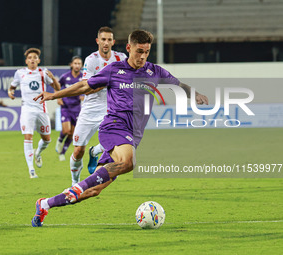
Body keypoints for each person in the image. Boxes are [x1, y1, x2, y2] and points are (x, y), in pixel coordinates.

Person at [31, 30, 208, 227]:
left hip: (132, 136)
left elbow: (178, 85)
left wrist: (196, 94)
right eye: (139, 51)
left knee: (94, 190)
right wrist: (54, 95)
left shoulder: (154, 72)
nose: (142, 56)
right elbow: (84, 86)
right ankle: (76, 187)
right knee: (129, 161)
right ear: (129, 48)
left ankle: (45, 204)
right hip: (114, 126)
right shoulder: (114, 70)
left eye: (146, 52)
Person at [67, 26, 127, 186]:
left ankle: (96, 152)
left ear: (113, 42)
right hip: (90, 108)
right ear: (97, 41)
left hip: (111, 108)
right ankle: (74, 182)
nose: (106, 43)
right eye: (103, 39)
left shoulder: (121, 58)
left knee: (116, 141)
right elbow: (87, 87)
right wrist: (109, 81)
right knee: (78, 150)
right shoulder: (91, 60)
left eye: (109, 40)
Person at [8, 48, 60, 178]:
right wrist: (10, 92)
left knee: (47, 140)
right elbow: (12, 86)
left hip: (41, 109)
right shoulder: (20, 73)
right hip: (27, 109)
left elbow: (58, 89)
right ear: (26, 61)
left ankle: (37, 153)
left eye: (35, 57)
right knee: (28, 137)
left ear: (39, 60)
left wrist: (53, 78)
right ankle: (31, 169)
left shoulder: (43, 73)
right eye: (30, 57)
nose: (32, 59)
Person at [55, 56, 84, 162]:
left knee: (72, 134)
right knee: (66, 130)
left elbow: (89, 89)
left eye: (79, 63)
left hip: (77, 108)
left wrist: (84, 95)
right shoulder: (65, 77)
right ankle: (59, 140)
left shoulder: (83, 78)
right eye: (75, 63)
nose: (77, 65)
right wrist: (58, 97)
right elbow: (57, 86)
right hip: (66, 106)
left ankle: (62, 153)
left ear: (81, 65)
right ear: (71, 64)